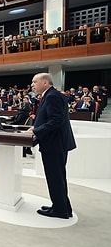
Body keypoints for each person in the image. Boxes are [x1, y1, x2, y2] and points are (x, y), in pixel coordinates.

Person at [26, 72, 76, 219]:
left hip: (55, 144)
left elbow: (55, 121)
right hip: (56, 143)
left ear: (45, 82)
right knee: (58, 177)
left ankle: (60, 210)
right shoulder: (50, 95)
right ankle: (62, 206)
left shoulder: (52, 96)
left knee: (55, 177)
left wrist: (36, 130)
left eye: (35, 82)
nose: (32, 85)